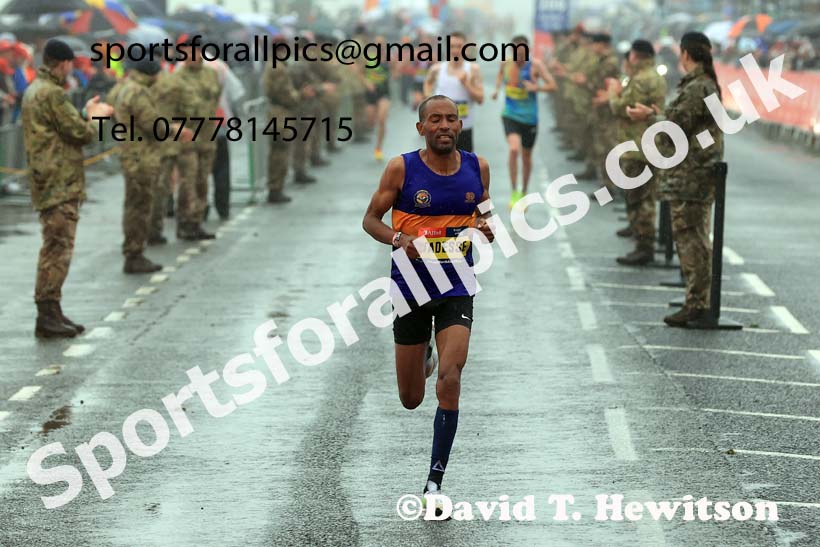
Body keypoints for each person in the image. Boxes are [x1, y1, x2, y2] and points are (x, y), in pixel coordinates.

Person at [362, 95, 494, 513]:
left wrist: (486, 226)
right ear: (421, 128)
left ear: (460, 125)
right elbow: (371, 220)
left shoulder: (477, 167)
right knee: (411, 398)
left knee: (452, 379)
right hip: (411, 287)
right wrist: (400, 240)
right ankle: (425, 356)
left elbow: (484, 209)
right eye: (435, 119)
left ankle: (434, 482)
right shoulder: (402, 168)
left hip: (457, 284)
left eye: (451, 119)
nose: (444, 125)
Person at [627, 32, 724, 327]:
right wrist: (657, 114)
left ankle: (697, 304)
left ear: (685, 55)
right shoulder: (703, 85)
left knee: (691, 237)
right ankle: (695, 300)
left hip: (691, 173)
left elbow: (675, 128)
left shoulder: (699, 87)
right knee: (692, 236)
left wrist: (649, 117)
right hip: (691, 171)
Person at [21, 38, 113, 338]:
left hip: (48, 178)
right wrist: (96, 118)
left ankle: (52, 310)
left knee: (54, 245)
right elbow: (81, 133)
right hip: (59, 181)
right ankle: (47, 313)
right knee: (58, 247)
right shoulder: (53, 94)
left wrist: (84, 111)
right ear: (63, 64)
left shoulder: (36, 90)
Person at [114, 58, 192, 273]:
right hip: (141, 158)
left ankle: (134, 251)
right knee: (139, 206)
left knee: (134, 205)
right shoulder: (138, 92)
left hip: (133, 155)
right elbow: (151, 124)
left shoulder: (127, 88)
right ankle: (134, 253)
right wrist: (175, 130)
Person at [609, 39, 667, 266]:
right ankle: (640, 236)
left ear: (635, 55)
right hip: (648, 143)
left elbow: (622, 107)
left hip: (638, 145)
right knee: (642, 195)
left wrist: (614, 93)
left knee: (641, 197)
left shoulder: (641, 79)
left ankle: (645, 246)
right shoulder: (655, 77)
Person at [491, 35, 556, 207]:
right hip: (510, 114)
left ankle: (524, 192)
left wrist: (537, 87)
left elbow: (553, 85)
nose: (520, 56)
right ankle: (514, 192)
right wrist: (497, 89)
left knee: (526, 156)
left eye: (523, 52)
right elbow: (499, 76)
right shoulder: (506, 64)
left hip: (529, 118)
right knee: (513, 149)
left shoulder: (535, 66)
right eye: (516, 52)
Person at [423, 31, 484, 152]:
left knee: (464, 168)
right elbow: (428, 83)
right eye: (452, 46)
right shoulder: (437, 69)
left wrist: (466, 85)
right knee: (438, 167)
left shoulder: (472, 69)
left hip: (463, 128)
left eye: (459, 46)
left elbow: (480, 98)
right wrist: (428, 99)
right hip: (440, 129)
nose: (456, 50)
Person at [364, 37, 392, 161]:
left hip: (384, 93)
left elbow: (398, 70)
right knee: (370, 122)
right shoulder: (368, 58)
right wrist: (367, 83)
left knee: (382, 120)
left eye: (382, 45)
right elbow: (359, 72)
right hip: (370, 94)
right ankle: (372, 129)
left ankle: (378, 148)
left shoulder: (390, 59)